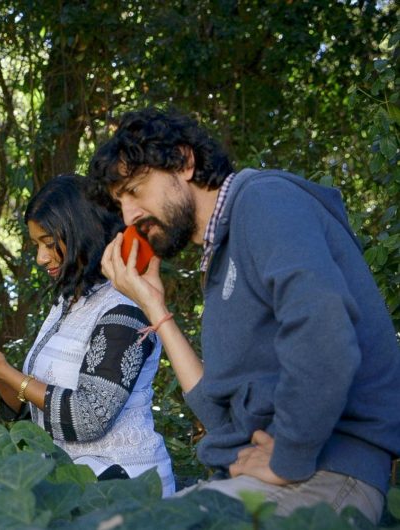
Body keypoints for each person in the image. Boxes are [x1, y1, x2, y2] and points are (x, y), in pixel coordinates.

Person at [86, 107, 400, 522]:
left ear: (184, 162)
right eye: (119, 202)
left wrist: (288, 456)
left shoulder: (264, 201)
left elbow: (324, 329)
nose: (129, 217)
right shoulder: (220, 258)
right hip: (272, 474)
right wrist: (154, 307)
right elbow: (222, 419)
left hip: (327, 474)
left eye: (137, 190)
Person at [0, 174, 175, 496]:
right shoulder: (67, 302)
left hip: (125, 491)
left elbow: (88, 418)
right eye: (36, 245)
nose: (41, 258)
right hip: (71, 488)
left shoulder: (126, 308)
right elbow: (30, 409)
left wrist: (3, 368)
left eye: (48, 242)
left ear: (82, 230)